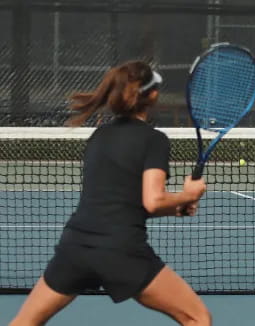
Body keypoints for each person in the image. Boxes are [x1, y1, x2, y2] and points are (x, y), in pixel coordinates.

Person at [9, 61, 211, 325]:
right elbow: (152, 201)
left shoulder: (99, 136)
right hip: (121, 251)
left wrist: (175, 208)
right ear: (152, 95)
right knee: (197, 318)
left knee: (23, 322)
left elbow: (118, 202)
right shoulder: (154, 140)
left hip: (75, 248)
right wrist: (189, 194)